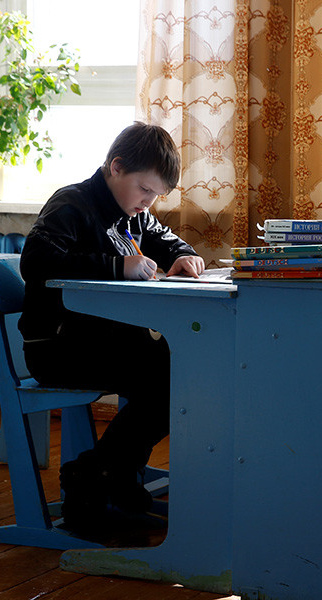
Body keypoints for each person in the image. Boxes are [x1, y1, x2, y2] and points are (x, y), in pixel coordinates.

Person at [19, 122, 205, 532]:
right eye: (145, 190)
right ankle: (102, 479)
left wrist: (185, 255)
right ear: (116, 167)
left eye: (156, 196)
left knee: (183, 365)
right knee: (170, 373)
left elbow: (166, 240)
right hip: (57, 346)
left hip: (100, 341)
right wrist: (116, 266)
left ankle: (105, 477)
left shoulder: (135, 215)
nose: (148, 203)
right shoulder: (73, 203)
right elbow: (35, 260)